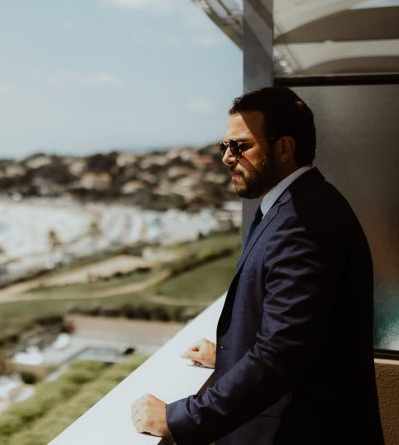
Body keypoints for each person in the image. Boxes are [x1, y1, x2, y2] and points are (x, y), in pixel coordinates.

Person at [131, 87, 383, 444]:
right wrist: (230, 354)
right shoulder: (304, 204)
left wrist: (179, 418)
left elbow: (278, 358)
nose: (227, 158)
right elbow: (300, 331)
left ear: (284, 147)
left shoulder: (303, 221)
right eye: (225, 147)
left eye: (240, 146)